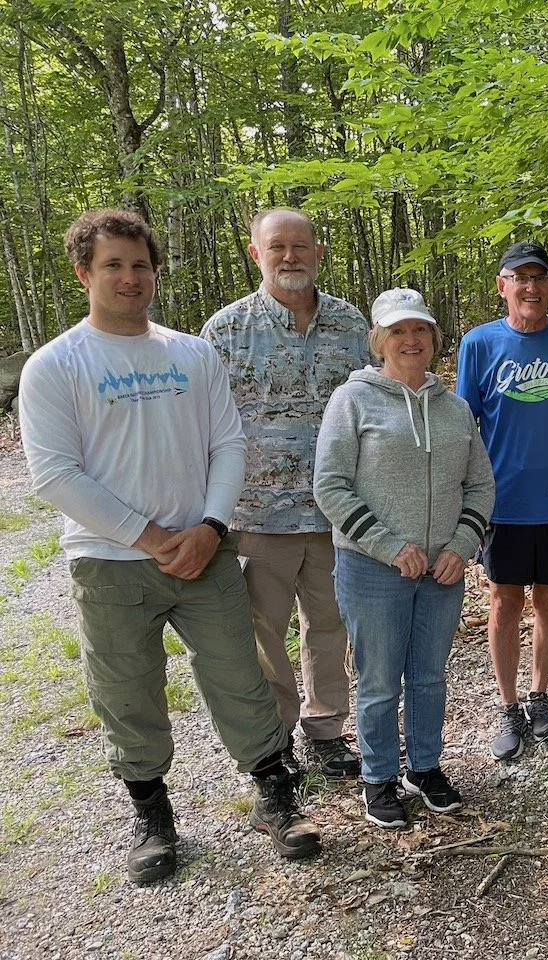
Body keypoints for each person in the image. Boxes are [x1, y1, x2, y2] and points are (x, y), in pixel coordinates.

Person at [19, 209, 319, 884]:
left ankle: (276, 796)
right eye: (113, 266)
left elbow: (227, 443)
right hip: (111, 561)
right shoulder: (56, 366)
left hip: (205, 552)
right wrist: (153, 539)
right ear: (83, 274)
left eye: (140, 265)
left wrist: (210, 527)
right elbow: (56, 474)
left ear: (156, 272)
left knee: (241, 678)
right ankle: (152, 815)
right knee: (128, 692)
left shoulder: (191, 353)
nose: (130, 278)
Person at [315, 288, 495, 828]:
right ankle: (379, 776)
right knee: (378, 680)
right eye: (398, 331)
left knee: (429, 676)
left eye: (420, 330)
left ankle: (425, 765)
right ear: (378, 340)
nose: (411, 340)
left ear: (435, 339)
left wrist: (462, 546)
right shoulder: (353, 402)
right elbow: (331, 486)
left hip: (442, 569)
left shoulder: (455, 408)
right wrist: (392, 547)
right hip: (373, 569)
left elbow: (481, 485)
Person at [201, 208, 369, 779]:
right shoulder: (225, 331)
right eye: (278, 247)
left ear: (319, 253)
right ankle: (276, 743)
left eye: (301, 246)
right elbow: (203, 424)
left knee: (330, 623)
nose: (290, 257)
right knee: (264, 632)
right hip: (257, 513)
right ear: (257, 254)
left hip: (335, 513)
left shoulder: (352, 325)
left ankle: (327, 730)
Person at [457, 242, 548, 761]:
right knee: (505, 602)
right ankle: (507, 706)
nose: (530, 287)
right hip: (502, 501)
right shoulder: (480, 344)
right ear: (502, 285)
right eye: (519, 277)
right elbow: (463, 426)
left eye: (540, 277)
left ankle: (539, 697)